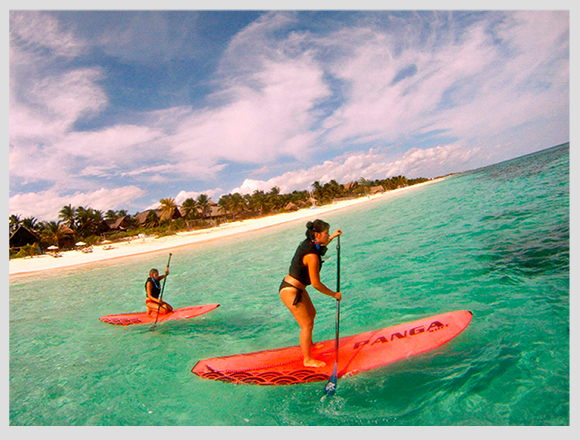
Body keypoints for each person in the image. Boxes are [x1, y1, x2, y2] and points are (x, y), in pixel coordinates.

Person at [279, 219, 342, 368]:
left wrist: (333, 236)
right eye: (326, 233)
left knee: (311, 314)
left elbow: (321, 244)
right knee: (306, 325)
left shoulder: (311, 242)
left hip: (298, 289)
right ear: (317, 234)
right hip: (290, 290)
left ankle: (311, 345)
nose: (327, 236)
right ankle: (307, 359)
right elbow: (316, 284)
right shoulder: (312, 256)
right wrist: (334, 294)